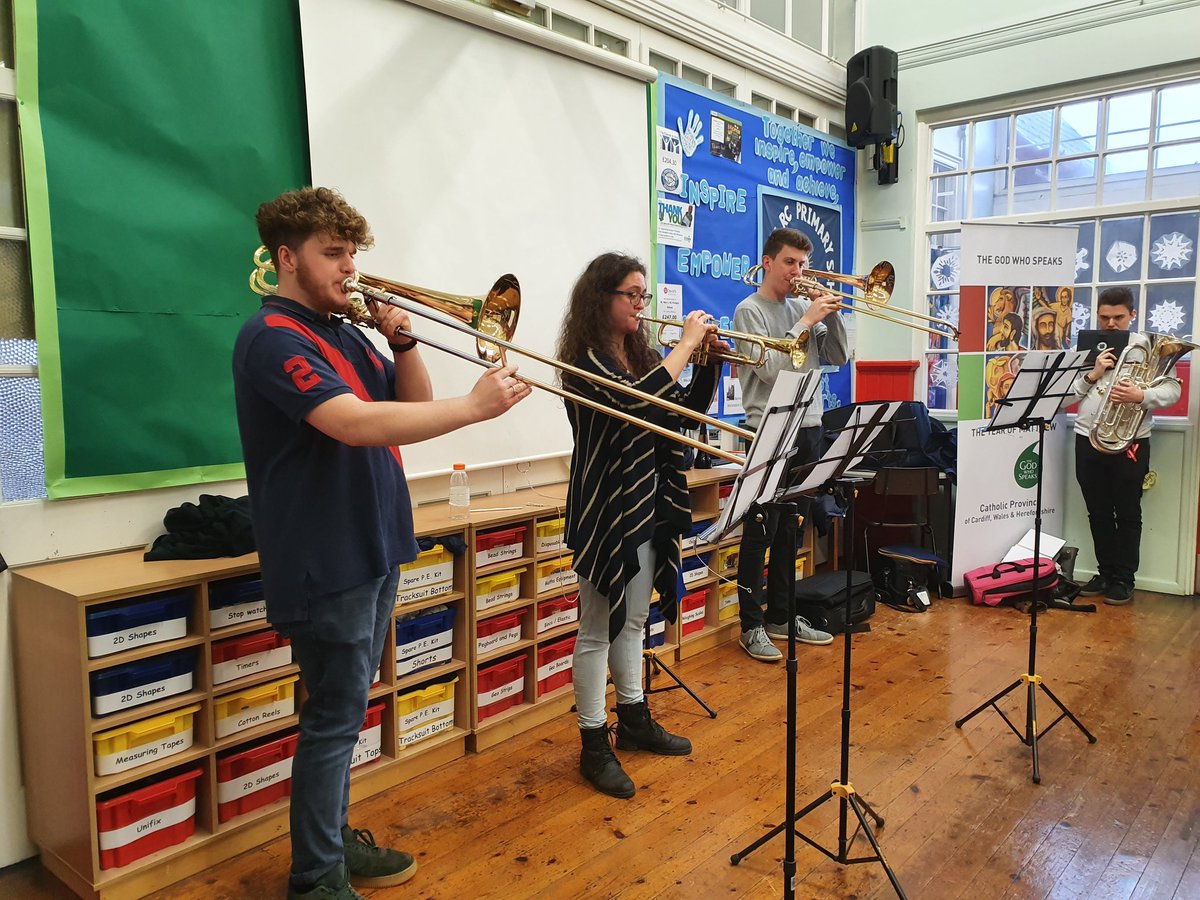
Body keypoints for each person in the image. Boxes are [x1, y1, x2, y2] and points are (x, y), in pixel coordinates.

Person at [232, 186, 530, 900]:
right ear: (286, 259)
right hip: (323, 556)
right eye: (332, 254)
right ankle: (315, 878)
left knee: (345, 710)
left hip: (373, 541)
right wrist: (475, 408)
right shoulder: (273, 337)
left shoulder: (343, 332)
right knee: (333, 719)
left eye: (352, 252)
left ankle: (330, 846)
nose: (349, 268)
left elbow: (409, 405)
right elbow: (352, 424)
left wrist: (403, 341)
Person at [556, 252, 722, 798]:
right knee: (597, 628)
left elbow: (677, 417)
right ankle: (593, 743)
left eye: (644, 295)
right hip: (607, 507)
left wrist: (708, 364)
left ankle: (632, 718)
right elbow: (639, 401)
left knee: (633, 622)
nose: (641, 304)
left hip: (648, 501)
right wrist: (683, 348)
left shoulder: (640, 354)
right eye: (632, 294)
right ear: (601, 298)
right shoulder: (583, 361)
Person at [731, 228, 843, 663]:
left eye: (802, 263)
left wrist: (829, 315)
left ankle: (780, 614)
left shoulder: (804, 307)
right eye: (790, 263)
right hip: (771, 426)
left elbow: (838, 356)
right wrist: (805, 322)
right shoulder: (749, 311)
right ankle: (750, 625)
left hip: (809, 424)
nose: (798, 272)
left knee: (790, 528)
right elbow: (771, 372)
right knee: (761, 530)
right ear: (767, 262)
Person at [1070, 286, 1180, 606]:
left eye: (1118, 317)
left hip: (1130, 441)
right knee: (1098, 511)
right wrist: (1091, 376)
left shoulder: (1149, 348)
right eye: (1105, 317)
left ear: (1132, 315)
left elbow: (1172, 391)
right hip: (1086, 439)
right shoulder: (1086, 348)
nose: (1111, 324)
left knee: (1128, 512)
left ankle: (1124, 578)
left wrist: (1141, 396)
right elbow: (1063, 399)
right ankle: (1105, 572)